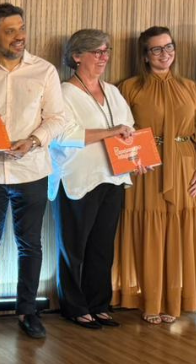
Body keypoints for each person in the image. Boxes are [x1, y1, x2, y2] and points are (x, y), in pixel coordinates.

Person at [0, 4, 71, 339]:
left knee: (30, 244)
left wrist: (33, 140)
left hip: (32, 170)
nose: (19, 37)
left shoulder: (44, 71)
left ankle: (28, 310)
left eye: (22, 28)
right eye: (10, 31)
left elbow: (58, 118)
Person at [116, 27, 196, 325]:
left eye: (169, 46)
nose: (164, 54)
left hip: (183, 164)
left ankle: (177, 299)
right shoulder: (129, 87)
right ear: (145, 55)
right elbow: (120, 131)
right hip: (145, 165)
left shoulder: (190, 86)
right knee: (150, 230)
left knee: (179, 230)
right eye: (156, 49)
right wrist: (132, 160)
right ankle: (150, 300)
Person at [50, 29, 135, 330]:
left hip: (112, 177)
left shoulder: (112, 91)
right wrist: (111, 133)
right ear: (76, 56)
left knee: (102, 247)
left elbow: (128, 128)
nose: (103, 57)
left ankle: (99, 304)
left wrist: (136, 157)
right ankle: (74, 306)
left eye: (106, 51)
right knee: (73, 247)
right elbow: (63, 135)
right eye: (96, 52)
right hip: (76, 179)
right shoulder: (63, 92)